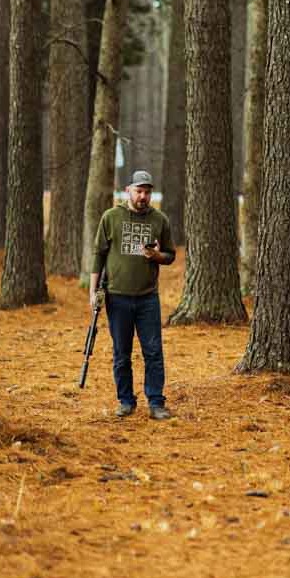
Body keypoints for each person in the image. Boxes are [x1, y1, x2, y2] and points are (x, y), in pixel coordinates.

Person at [90, 170, 176, 419]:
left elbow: (170, 254)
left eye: (147, 192)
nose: (143, 196)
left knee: (153, 351)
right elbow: (99, 255)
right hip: (117, 297)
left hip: (148, 297)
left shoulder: (159, 220)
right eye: (139, 191)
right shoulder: (111, 217)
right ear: (129, 190)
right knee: (121, 353)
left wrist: (157, 256)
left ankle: (156, 402)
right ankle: (126, 401)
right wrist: (93, 291)